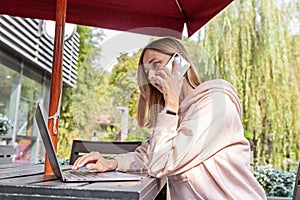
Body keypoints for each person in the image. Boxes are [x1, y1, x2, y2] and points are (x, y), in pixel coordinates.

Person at [72, 37, 267, 199]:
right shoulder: (176, 113)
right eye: (147, 73)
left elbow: (160, 165)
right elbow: (148, 155)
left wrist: (171, 104)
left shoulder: (217, 103)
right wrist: (111, 163)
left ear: (180, 62)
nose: (152, 77)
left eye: (156, 64)